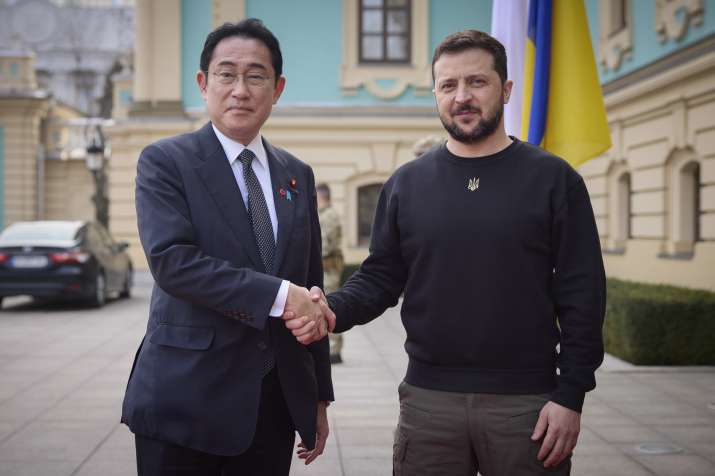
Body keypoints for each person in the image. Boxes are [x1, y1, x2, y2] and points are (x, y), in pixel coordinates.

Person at [289, 29, 606, 475]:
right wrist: (330, 309)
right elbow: (381, 277)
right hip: (428, 402)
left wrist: (570, 394)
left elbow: (583, 293)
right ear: (435, 93)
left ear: (506, 89)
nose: (462, 97)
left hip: (527, 406)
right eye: (448, 85)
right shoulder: (406, 184)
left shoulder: (554, 180)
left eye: (477, 82)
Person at [121, 19, 334, 476]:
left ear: (277, 88)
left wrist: (316, 395)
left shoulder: (296, 174)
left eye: (256, 76)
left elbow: (310, 286)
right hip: (184, 403)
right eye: (226, 74)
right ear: (203, 83)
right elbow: (173, 263)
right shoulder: (165, 162)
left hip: (270, 407)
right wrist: (280, 295)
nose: (240, 89)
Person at [316, 183, 345, 364]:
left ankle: (334, 350)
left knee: (330, 304)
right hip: (326, 268)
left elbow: (325, 245)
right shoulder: (324, 214)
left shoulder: (328, 216)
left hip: (328, 269)